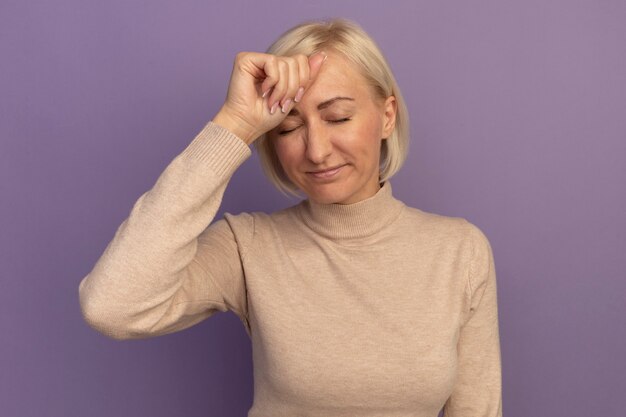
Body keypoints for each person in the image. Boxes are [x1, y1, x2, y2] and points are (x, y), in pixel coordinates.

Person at [79, 18, 503, 417]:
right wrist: (236, 124)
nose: (316, 150)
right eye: (288, 127)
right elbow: (112, 307)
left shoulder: (460, 250)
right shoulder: (247, 246)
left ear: (387, 116)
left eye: (338, 117)